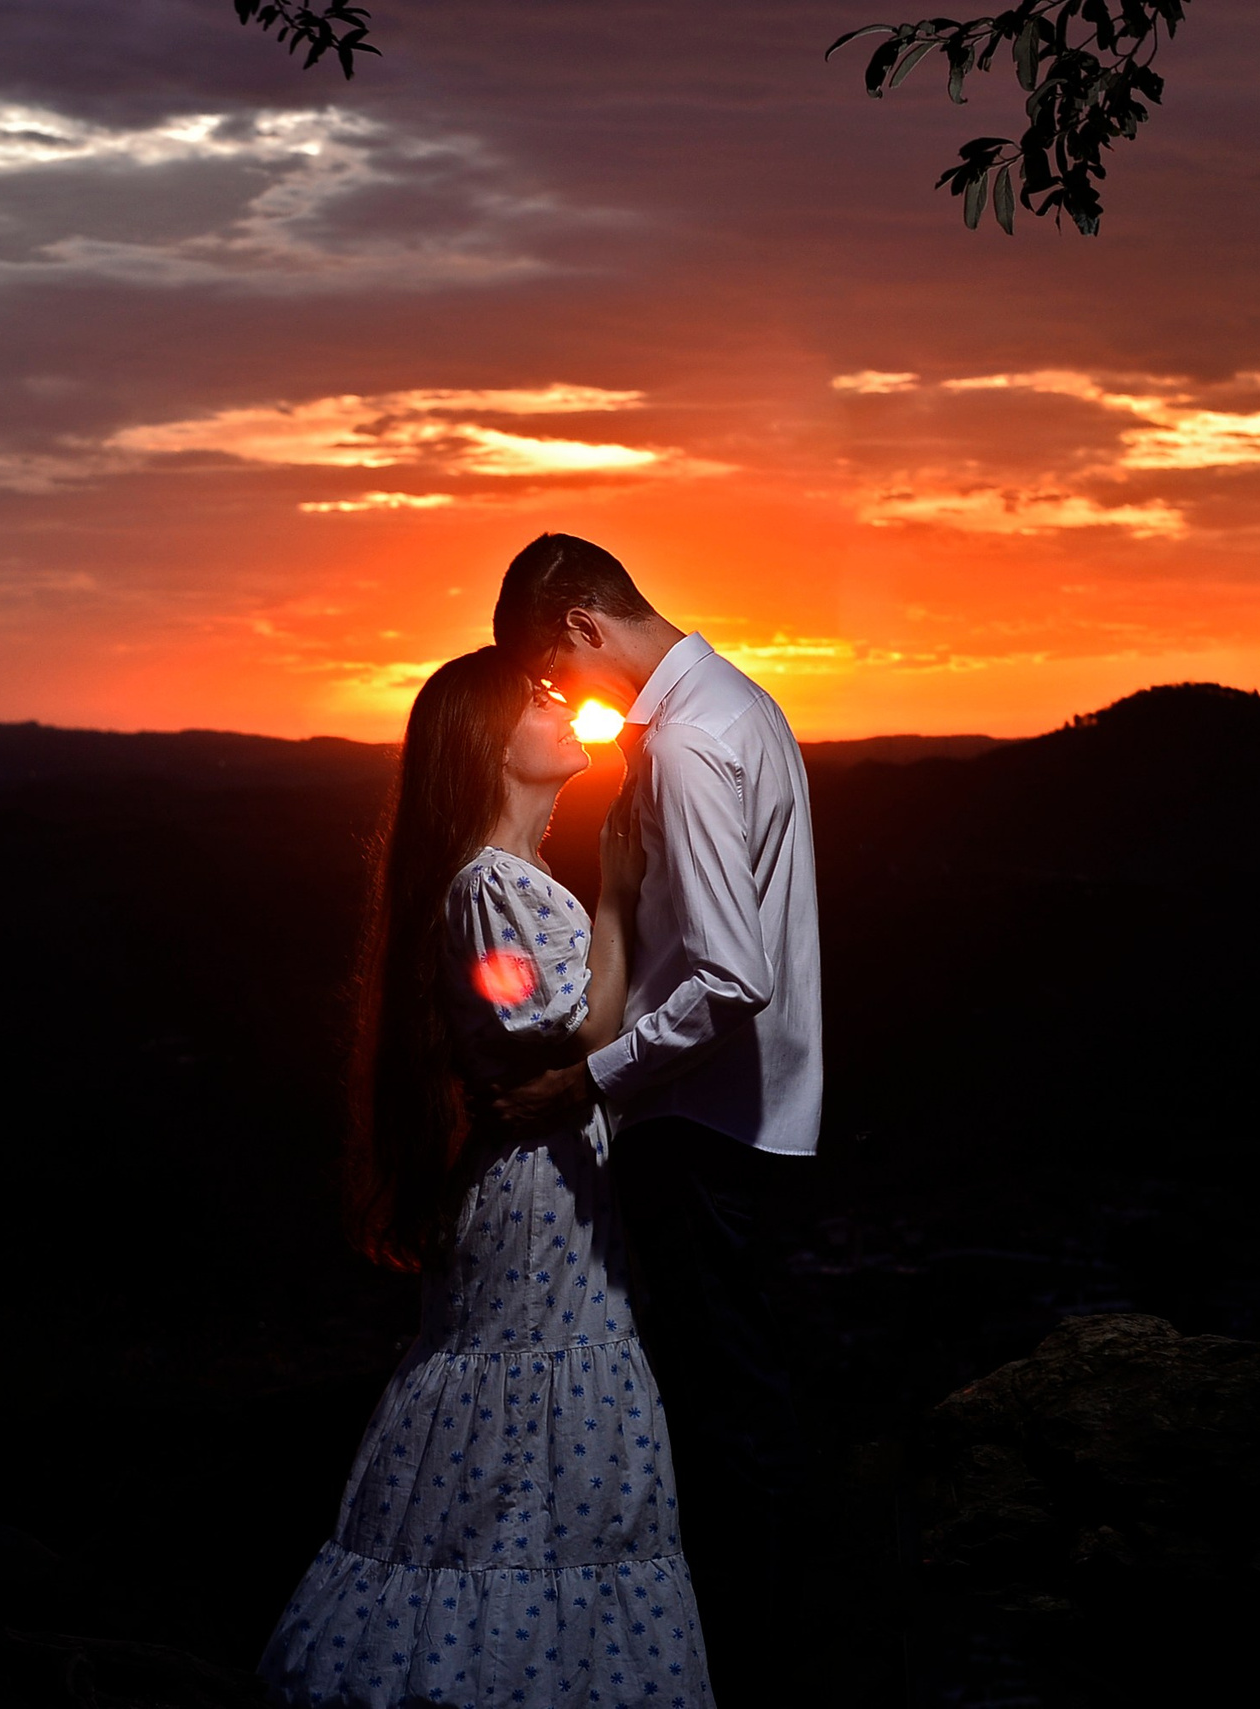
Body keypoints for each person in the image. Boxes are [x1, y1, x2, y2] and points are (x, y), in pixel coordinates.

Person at [258, 646, 714, 1707]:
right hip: (534, 1202)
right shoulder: (486, 890)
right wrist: (616, 898)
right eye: (540, 699)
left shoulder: (508, 883)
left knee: (547, 1443)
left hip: (561, 1194)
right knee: (520, 1430)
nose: (567, 710)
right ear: (487, 740)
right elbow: (553, 1030)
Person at [489, 534, 823, 1709]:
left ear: (582, 621)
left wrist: (591, 1081)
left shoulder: (684, 740)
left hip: (701, 1121)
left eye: (549, 668)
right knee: (746, 1397)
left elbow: (731, 978)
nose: (557, 697)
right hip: (742, 1114)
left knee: (729, 1413)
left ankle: (753, 1662)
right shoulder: (738, 703)